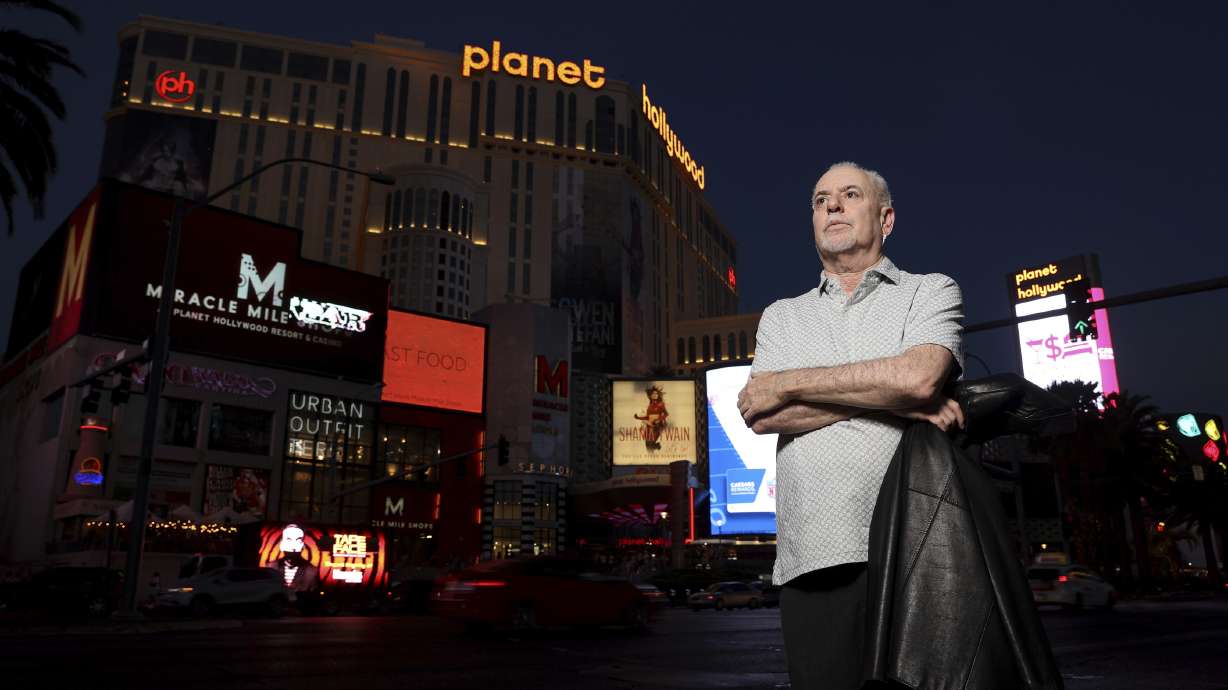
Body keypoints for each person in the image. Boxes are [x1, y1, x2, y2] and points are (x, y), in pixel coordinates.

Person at [738, 162, 966, 690]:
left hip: (918, 546)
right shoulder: (782, 316)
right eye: (820, 200)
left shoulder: (929, 291)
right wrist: (892, 399)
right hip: (814, 555)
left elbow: (917, 377)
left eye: (848, 195)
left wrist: (790, 381)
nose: (831, 207)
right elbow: (760, 413)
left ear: (885, 219)